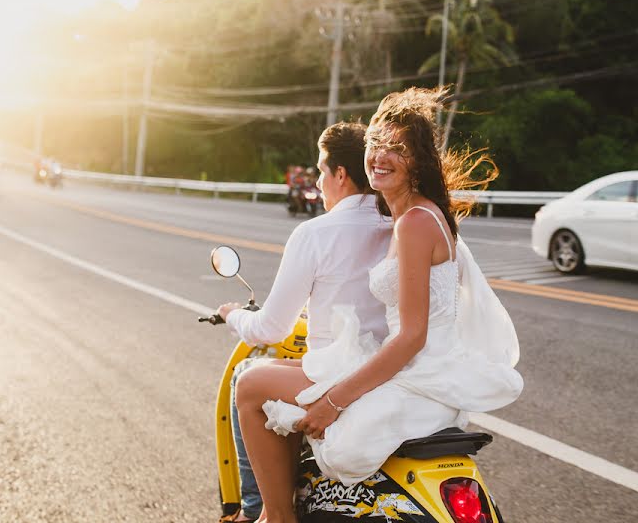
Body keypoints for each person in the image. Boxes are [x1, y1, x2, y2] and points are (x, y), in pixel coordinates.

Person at [235, 87, 524, 523]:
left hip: (415, 377)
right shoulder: (409, 216)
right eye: (375, 143)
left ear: (419, 161)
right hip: (418, 369)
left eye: (397, 148)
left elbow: (412, 336)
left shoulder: (412, 222)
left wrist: (334, 401)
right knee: (295, 373)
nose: (380, 155)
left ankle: (276, 516)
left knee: (251, 386)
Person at [215, 122, 391, 522]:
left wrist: (232, 315)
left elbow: (271, 330)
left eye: (320, 171)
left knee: (248, 382)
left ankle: (270, 512)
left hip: (342, 373)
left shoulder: (315, 233)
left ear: (341, 174)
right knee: (263, 370)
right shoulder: (398, 223)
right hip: (390, 369)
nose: (318, 180)